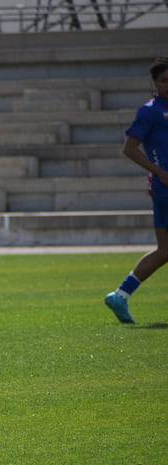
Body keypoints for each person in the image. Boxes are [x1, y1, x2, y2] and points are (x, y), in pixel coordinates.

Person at [105, 57, 168, 324]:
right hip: (165, 187)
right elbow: (130, 148)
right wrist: (160, 172)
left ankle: (120, 295)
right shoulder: (150, 111)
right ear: (154, 83)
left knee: (165, 250)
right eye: (164, 81)